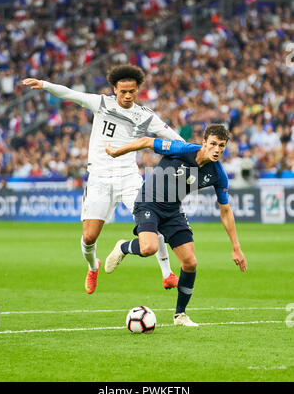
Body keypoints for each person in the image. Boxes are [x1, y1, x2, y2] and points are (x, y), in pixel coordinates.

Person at [22, 64, 184, 294]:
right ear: (114, 89)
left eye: (132, 91)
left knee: (151, 222)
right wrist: (45, 85)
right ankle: (93, 266)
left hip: (129, 177)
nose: (127, 96)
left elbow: (172, 137)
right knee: (89, 236)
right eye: (123, 91)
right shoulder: (101, 103)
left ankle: (167, 274)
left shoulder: (145, 116)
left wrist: (196, 152)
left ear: (138, 90)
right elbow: (70, 93)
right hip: (99, 177)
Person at [104, 124, 248, 326]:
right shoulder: (182, 149)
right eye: (213, 144)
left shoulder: (218, 174)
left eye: (221, 146)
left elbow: (225, 210)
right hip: (149, 202)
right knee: (148, 248)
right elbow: (147, 141)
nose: (217, 150)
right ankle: (123, 247)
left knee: (190, 263)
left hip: (173, 212)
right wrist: (116, 152)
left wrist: (236, 247)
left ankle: (180, 315)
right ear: (204, 142)